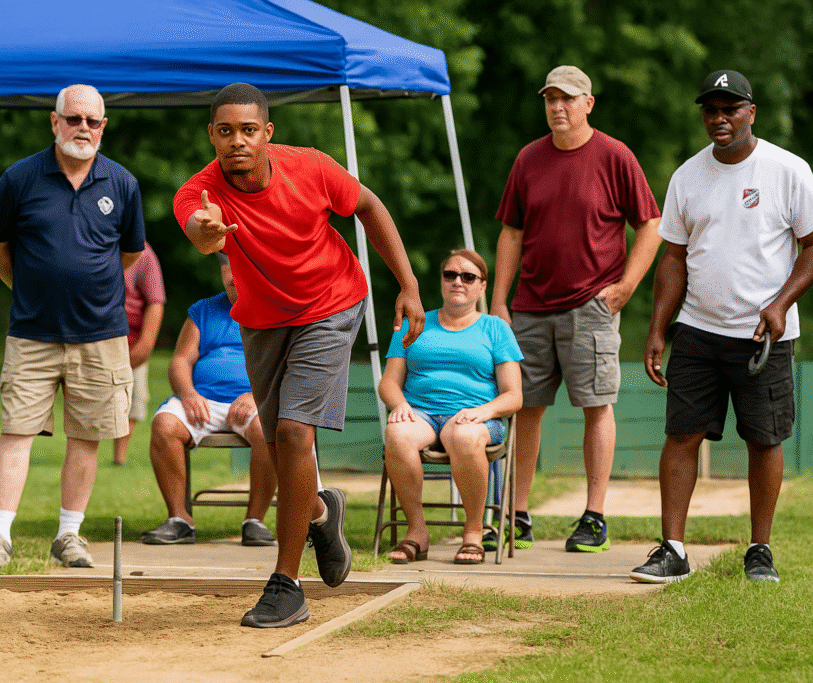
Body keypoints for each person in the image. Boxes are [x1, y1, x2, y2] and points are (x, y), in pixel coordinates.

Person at [173, 82, 424, 628]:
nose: (236, 141)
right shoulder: (200, 192)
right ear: (211, 136)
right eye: (224, 131)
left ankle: (286, 586)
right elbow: (198, 229)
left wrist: (407, 283)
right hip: (263, 321)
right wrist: (207, 232)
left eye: (247, 130)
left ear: (267, 133)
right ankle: (318, 511)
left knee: (291, 432)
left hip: (331, 304)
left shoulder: (309, 167)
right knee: (280, 440)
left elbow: (370, 207)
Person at [630, 70, 813, 584]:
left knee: (764, 440)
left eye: (730, 108)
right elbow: (673, 256)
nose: (720, 118)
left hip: (764, 334)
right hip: (698, 329)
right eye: (711, 109)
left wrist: (780, 305)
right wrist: (657, 328)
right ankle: (672, 549)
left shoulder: (788, 170)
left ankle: (760, 550)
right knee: (681, 436)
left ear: (751, 112)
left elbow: (811, 247)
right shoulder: (688, 176)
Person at [0, 84, 145, 569]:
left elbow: (130, 253)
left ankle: (69, 536)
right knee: (16, 431)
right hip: (31, 333)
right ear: (55, 122)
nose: (83, 128)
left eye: (92, 121)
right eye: (74, 119)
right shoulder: (19, 178)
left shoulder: (123, 184)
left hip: (102, 335)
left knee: (87, 436)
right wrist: (27, 286)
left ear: (103, 127)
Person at [491, 65, 663, 553]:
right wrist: (500, 300)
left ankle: (593, 516)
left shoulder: (614, 156)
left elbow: (649, 224)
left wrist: (627, 286)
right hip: (529, 307)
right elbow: (512, 232)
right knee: (526, 408)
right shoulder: (528, 159)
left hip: (592, 304)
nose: (557, 107)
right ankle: (516, 515)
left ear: (588, 103)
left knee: (596, 407)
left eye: (567, 99)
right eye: (550, 99)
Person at [379, 249, 522, 565]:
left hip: (475, 417)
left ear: (482, 286)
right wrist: (400, 405)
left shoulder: (496, 329)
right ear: (442, 281)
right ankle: (416, 532)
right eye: (450, 275)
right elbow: (389, 382)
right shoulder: (415, 323)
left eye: (468, 276)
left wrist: (484, 412)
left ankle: (473, 532)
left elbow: (514, 395)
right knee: (398, 433)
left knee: (463, 436)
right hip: (422, 414)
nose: (458, 281)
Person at [141, 253, 277, 547]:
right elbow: (180, 360)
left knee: (269, 432)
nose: (235, 288)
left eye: (241, 282)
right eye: (229, 282)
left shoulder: (275, 310)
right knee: (164, 425)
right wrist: (188, 394)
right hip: (202, 400)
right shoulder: (203, 311)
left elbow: (286, 365)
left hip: (256, 401)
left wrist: (257, 396)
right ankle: (179, 519)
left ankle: (255, 521)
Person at [112, 241, 165, 466]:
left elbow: (156, 300)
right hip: (92, 340)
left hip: (131, 343)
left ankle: (119, 458)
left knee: (133, 402)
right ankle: (84, 453)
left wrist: (145, 344)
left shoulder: (142, 251)